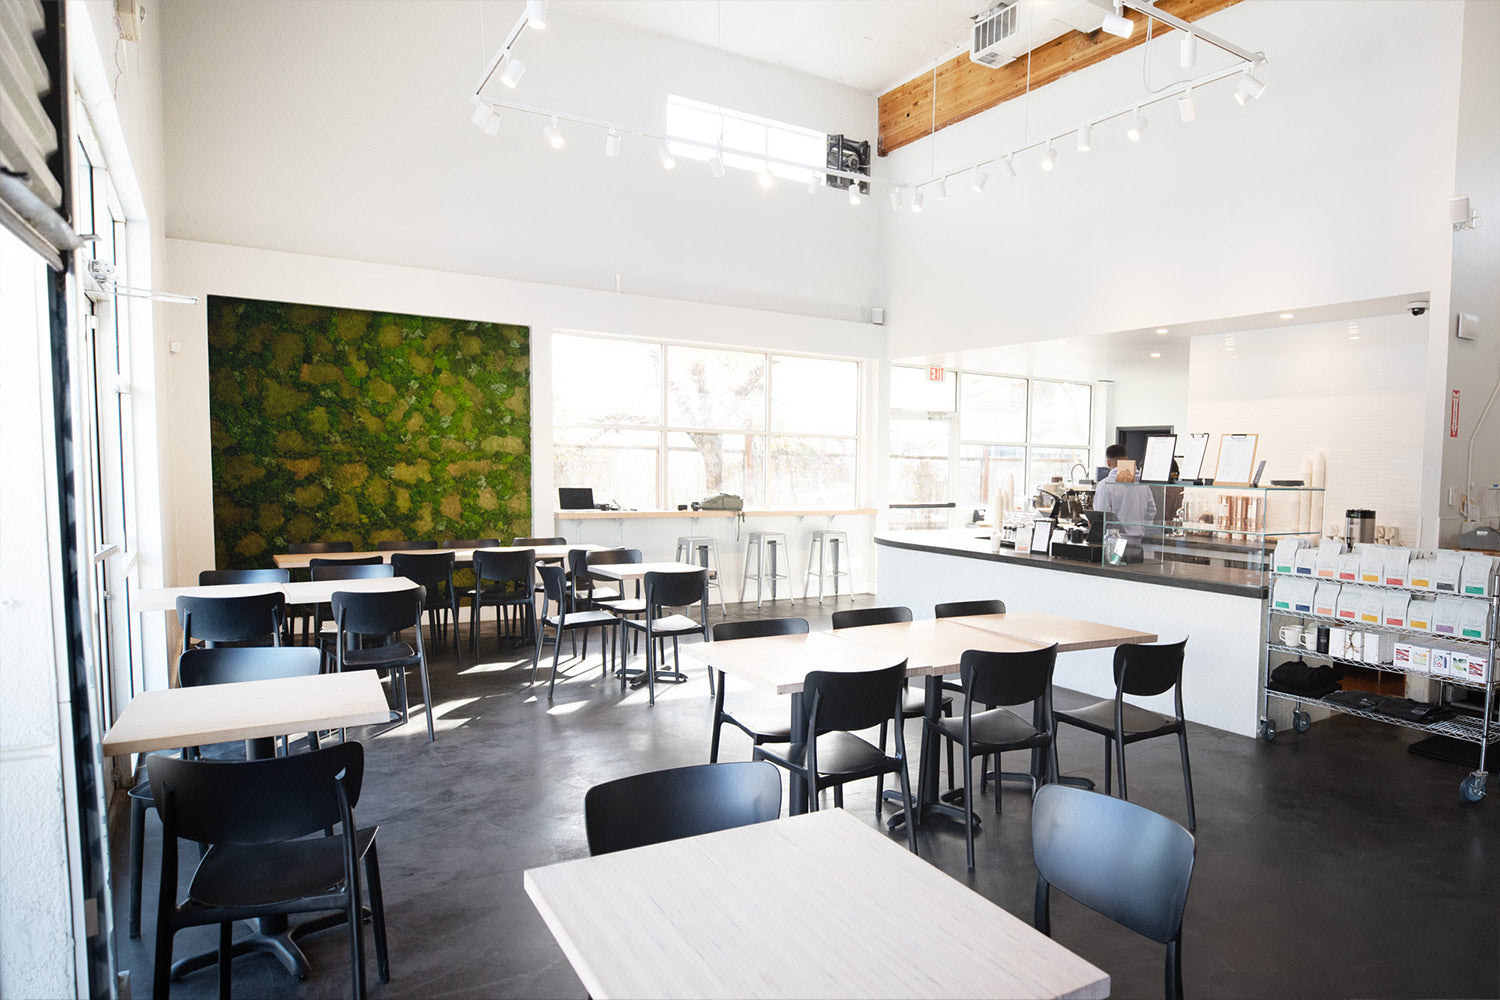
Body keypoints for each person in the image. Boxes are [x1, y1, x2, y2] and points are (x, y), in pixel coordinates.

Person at [1093, 444, 1157, 537]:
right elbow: (1151, 510)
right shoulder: (1142, 483)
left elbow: (1101, 514)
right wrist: (1140, 527)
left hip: (1115, 539)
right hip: (1139, 539)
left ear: (1108, 462)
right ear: (1126, 459)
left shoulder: (1105, 485)